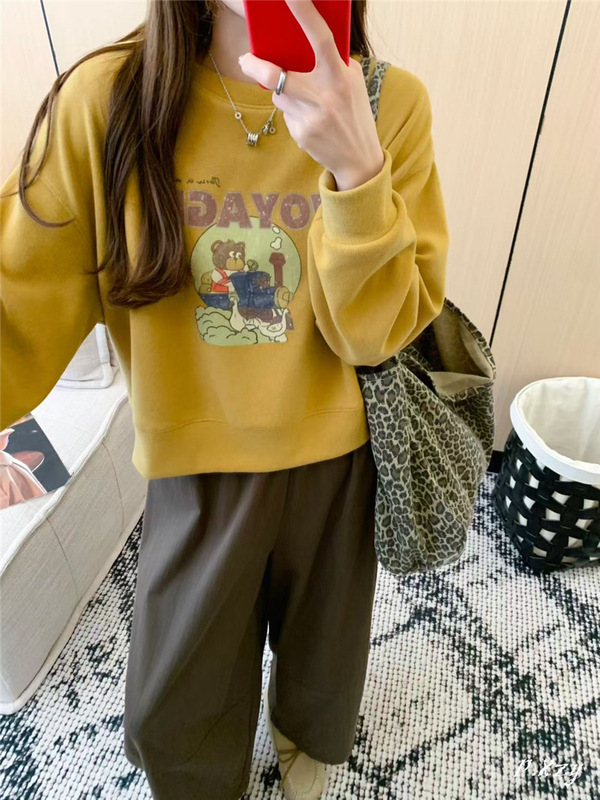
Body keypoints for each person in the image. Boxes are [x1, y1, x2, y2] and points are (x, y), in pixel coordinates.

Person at [0, 0, 450, 797]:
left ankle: (304, 737)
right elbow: (16, 302)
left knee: (325, 656)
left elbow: (380, 334)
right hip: (194, 470)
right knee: (179, 697)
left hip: (342, 463)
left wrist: (358, 171)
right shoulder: (107, 102)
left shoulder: (389, 103)